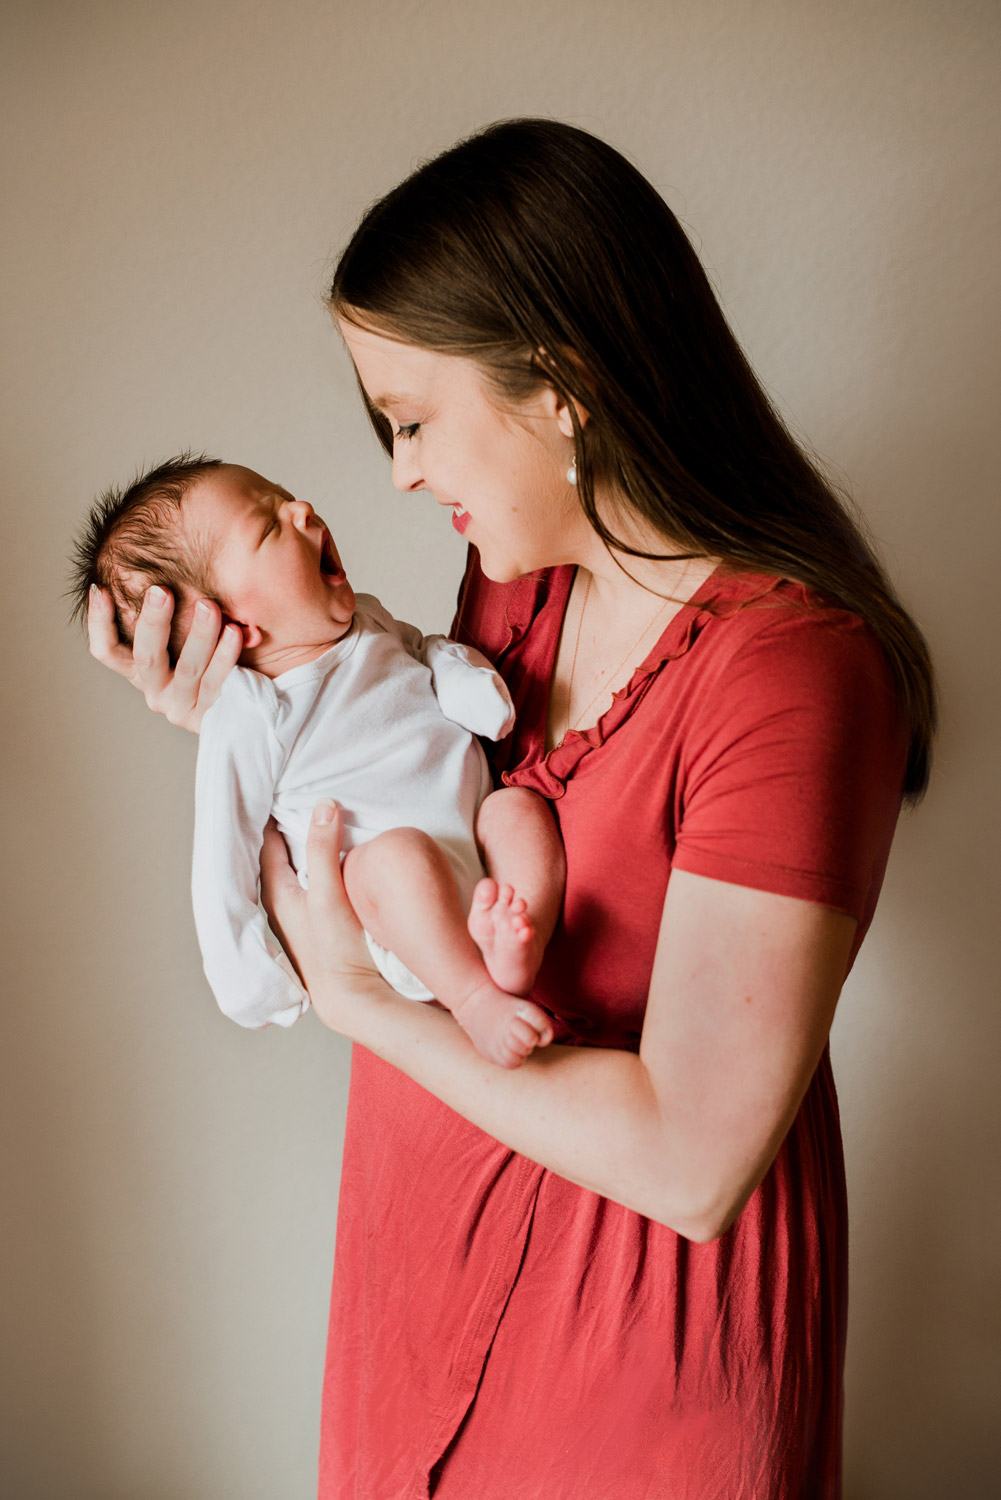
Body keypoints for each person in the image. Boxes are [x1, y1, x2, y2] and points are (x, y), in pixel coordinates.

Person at [87, 119, 936, 1498]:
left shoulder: (795, 673)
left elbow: (692, 1158)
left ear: (559, 384)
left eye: (411, 420)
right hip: (417, 1288)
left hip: (642, 1363)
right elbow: (371, 776)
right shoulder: (514, 597)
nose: (401, 471)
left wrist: (361, 1003)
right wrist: (237, 716)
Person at [72, 455, 563, 1065]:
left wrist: (459, 681)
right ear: (230, 626)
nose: (300, 510)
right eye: (269, 526)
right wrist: (248, 975)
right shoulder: (252, 713)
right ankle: (473, 998)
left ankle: (522, 940)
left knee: (518, 810)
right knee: (393, 859)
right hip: (394, 914)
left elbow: (420, 652)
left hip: (480, 853)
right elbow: (222, 849)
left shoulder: (367, 618)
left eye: (286, 496)